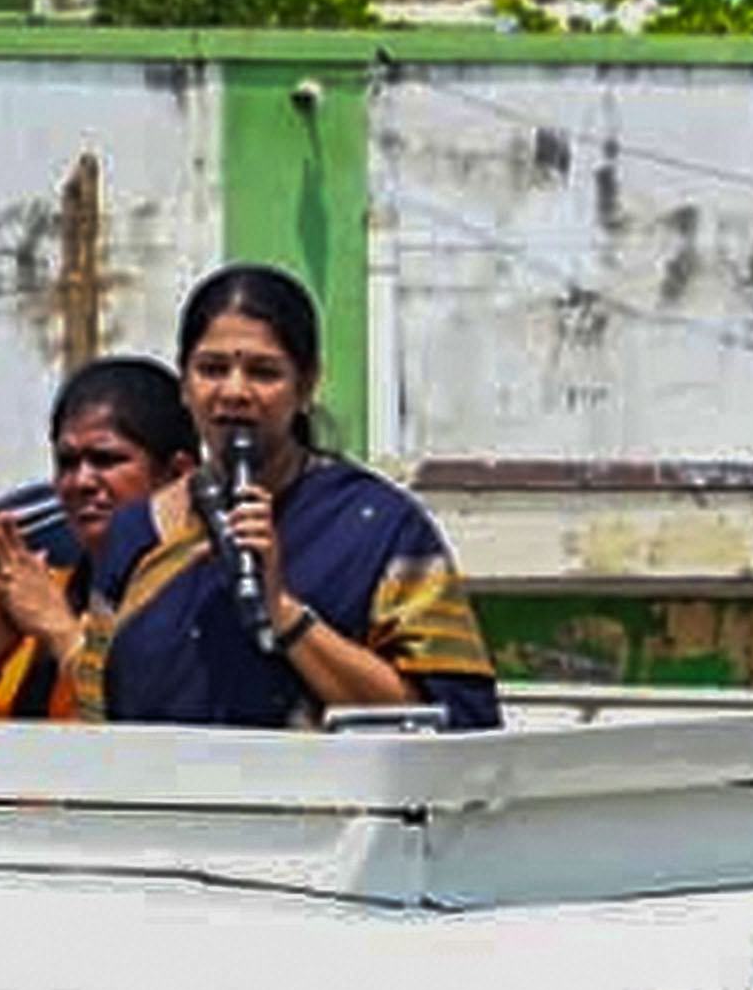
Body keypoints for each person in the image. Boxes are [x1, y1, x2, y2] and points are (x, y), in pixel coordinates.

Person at [74, 265, 498, 731]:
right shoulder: (137, 533)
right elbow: (100, 717)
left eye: (263, 372)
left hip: (323, 802)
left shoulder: (376, 527)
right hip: (171, 799)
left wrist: (282, 612)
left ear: (307, 384)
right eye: (212, 369)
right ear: (184, 384)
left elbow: (446, 726)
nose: (234, 392)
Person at [0, 357, 201, 721]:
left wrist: (60, 632)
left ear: (178, 475)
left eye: (106, 459)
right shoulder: (42, 592)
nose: (81, 481)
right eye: (67, 462)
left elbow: (154, 741)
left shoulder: (204, 601)